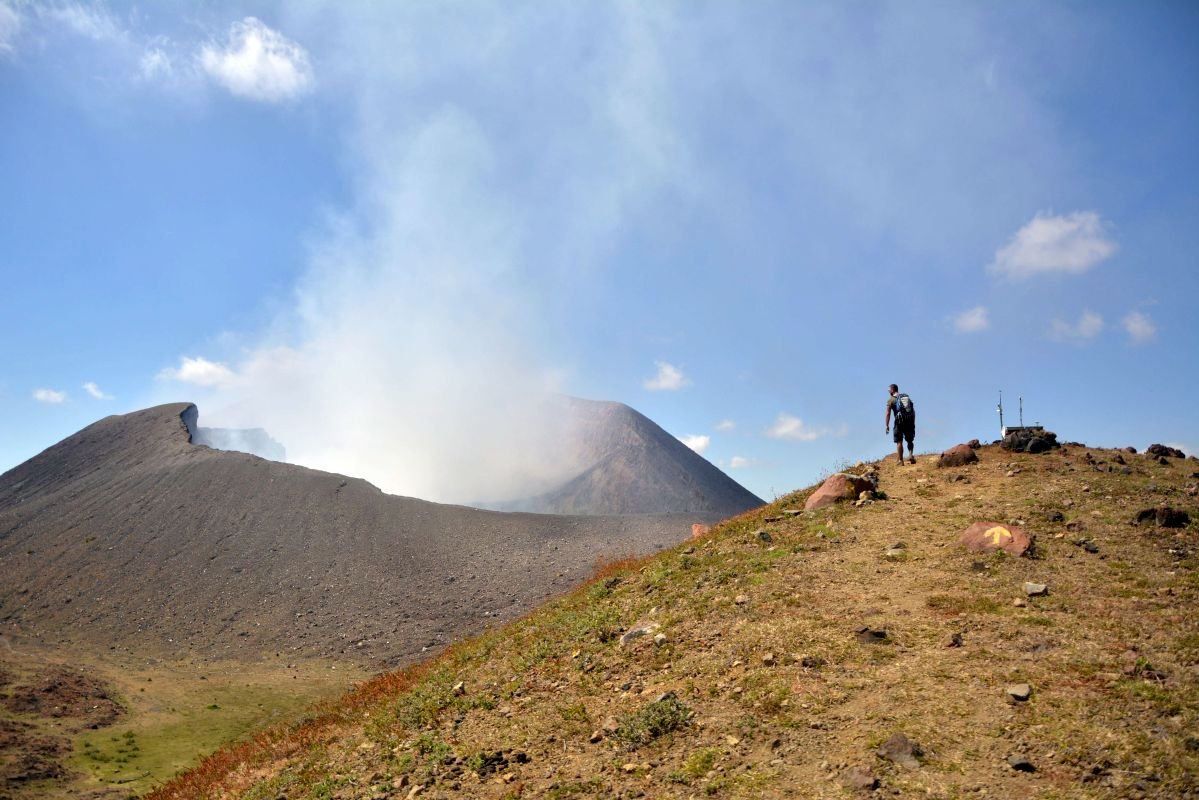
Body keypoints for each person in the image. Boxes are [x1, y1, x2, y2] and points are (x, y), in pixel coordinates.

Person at [885, 384, 916, 464]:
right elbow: (913, 410)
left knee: (899, 441)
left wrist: (887, 425)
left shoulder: (891, 400)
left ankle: (901, 460)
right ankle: (910, 455)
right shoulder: (905, 397)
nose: (888, 391)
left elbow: (888, 413)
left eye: (889, 390)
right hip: (909, 420)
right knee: (909, 440)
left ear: (892, 390)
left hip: (899, 422)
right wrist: (913, 421)